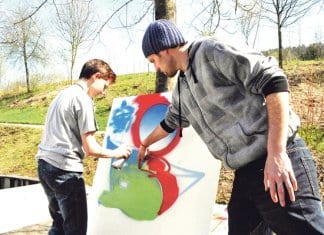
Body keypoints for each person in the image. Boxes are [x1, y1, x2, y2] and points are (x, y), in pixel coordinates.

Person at [138, 19, 324, 235]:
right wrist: (144, 143)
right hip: (246, 172)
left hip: (278, 157)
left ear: (165, 49)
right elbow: (171, 121)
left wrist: (277, 153)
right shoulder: (181, 87)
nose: (156, 69)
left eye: (153, 60)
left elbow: (274, 80)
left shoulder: (212, 50)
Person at [36, 59, 132, 235]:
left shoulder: (63, 94)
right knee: (76, 229)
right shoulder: (83, 99)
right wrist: (116, 152)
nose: (104, 92)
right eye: (105, 85)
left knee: (59, 224)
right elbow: (91, 149)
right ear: (96, 76)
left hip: (45, 166)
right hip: (65, 171)